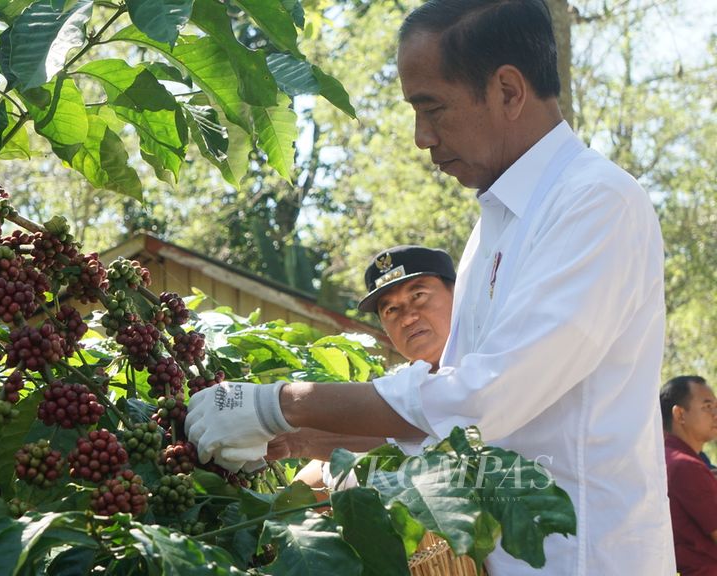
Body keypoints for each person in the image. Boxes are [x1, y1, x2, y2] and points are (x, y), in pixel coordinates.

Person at [185, 1, 674, 574]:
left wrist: (280, 404)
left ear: (509, 91)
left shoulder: (596, 203)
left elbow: (481, 401)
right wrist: (308, 439)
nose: (421, 138)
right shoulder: (496, 226)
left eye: (432, 108)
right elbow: (447, 422)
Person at [279, 245, 456, 489]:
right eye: (391, 309)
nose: (407, 318)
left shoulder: (489, 370)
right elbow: (303, 489)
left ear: (458, 294)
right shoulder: (388, 394)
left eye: (418, 296)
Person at [661, 375, 717, 575]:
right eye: (707, 407)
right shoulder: (685, 466)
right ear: (679, 414)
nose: (715, 414)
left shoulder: (663, 458)